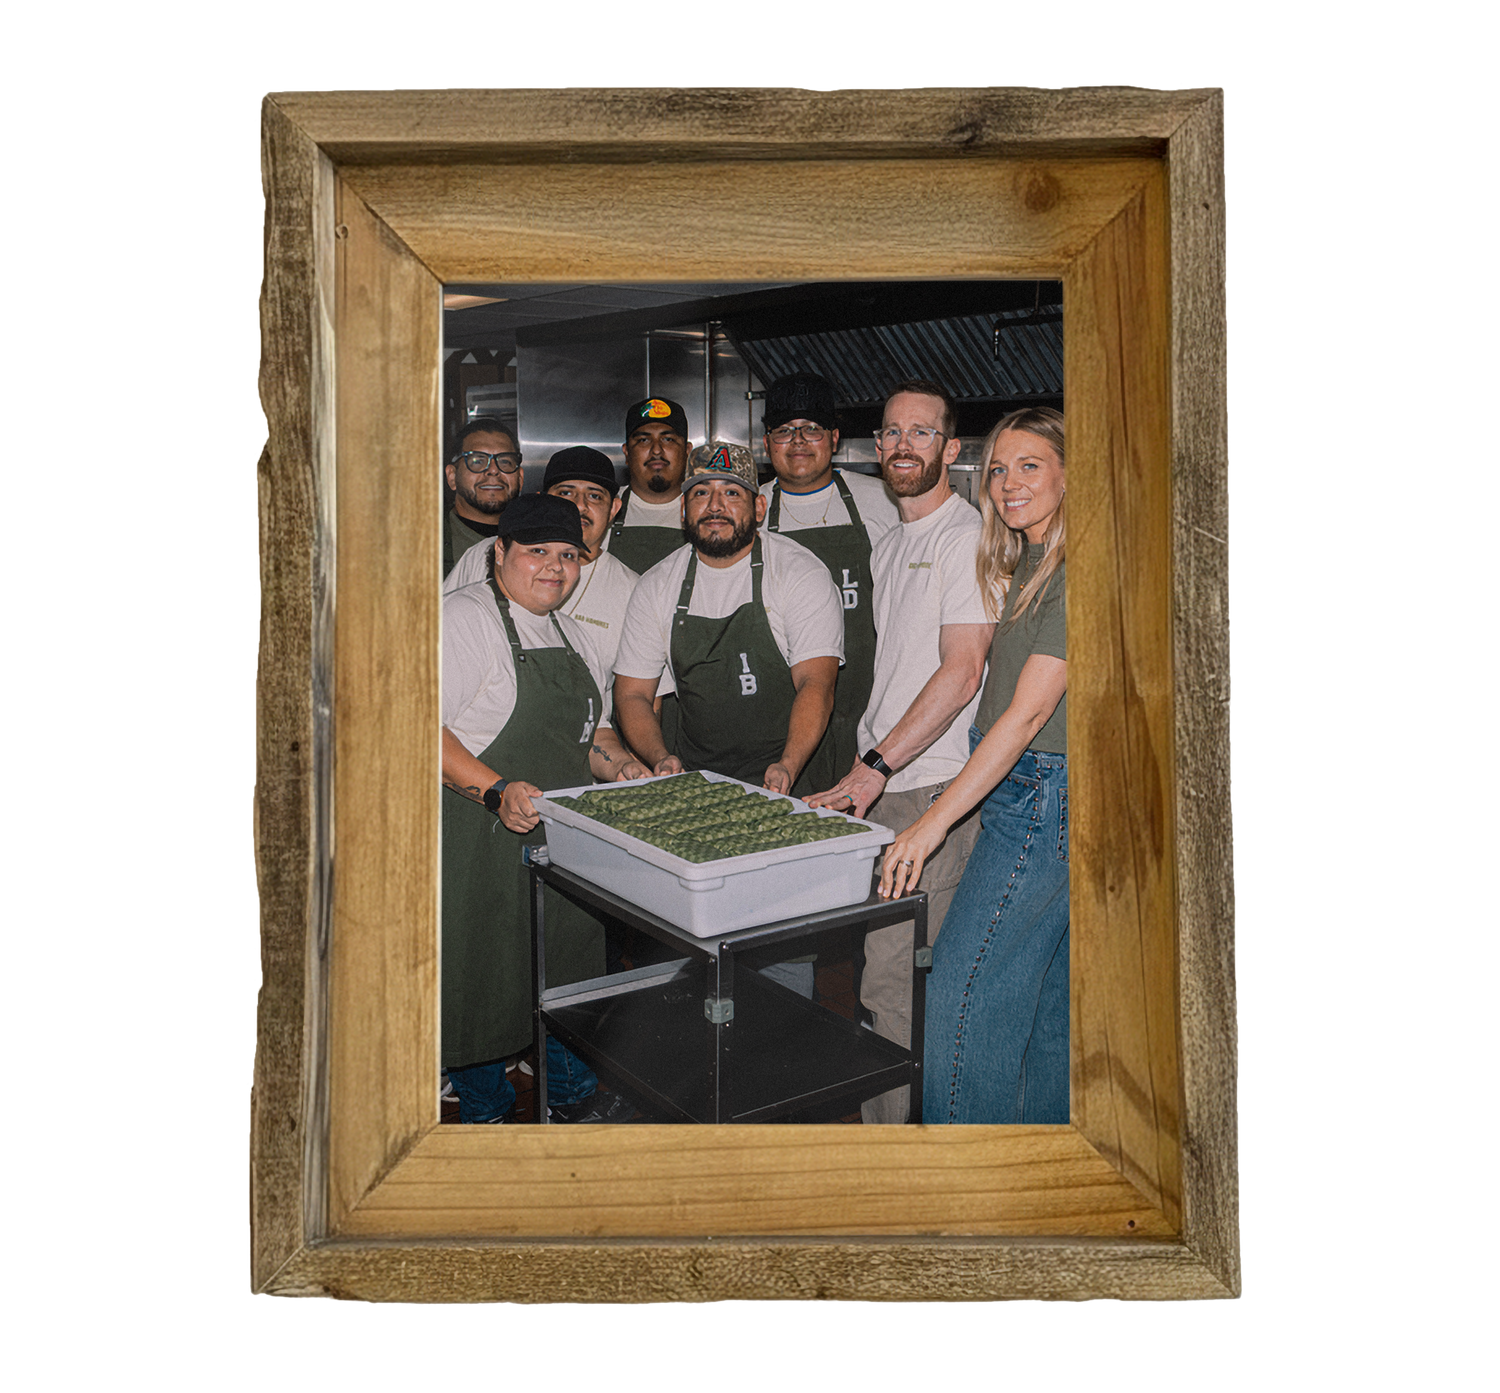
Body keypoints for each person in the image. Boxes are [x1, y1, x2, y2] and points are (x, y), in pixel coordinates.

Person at [808, 380, 994, 1124]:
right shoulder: (891, 544)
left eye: (923, 432)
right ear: (877, 447)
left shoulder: (966, 535)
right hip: (887, 790)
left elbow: (962, 670)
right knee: (888, 978)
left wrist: (873, 765)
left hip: (929, 789)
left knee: (893, 982)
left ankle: (894, 1161)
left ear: (950, 449)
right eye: (891, 432)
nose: (904, 445)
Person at [880, 408, 1069, 1125]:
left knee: (960, 994)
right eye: (997, 469)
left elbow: (1025, 717)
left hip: (1039, 796)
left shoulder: (1075, 564)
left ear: (1069, 473)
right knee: (1046, 1001)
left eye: (1029, 466)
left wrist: (929, 825)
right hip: (1038, 791)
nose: (1007, 483)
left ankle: (961, 1192)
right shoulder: (1030, 558)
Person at [442, 494, 651, 1124]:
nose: (555, 568)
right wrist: (495, 790)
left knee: (563, 973)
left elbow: (594, 737)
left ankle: (571, 1096)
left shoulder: (567, 632)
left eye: (568, 555)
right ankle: (486, 1114)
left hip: (556, 846)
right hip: (479, 844)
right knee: (481, 976)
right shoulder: (466, 617)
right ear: (499, 552)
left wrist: (631, 772)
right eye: (537, 552)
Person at [613, 441, 844, 999]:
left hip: (783, 789)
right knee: (692, 946)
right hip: (697, 789)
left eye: (731, 493)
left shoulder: (798, 573)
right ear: (685, 509)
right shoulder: (660, 584)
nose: (715, 505)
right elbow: (633, 696)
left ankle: (782, 1061)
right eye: (702, 494)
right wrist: (659, 758)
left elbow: (817, 683)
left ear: (757, 508)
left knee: (780, 945)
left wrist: (787, 765)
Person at [758, 371, 900, 792]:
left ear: (834, 438)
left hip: (871, 715)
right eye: (784, 431)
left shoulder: (884, 502)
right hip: (782, 720)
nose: (798, 441)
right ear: (767, 444)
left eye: (812, 429)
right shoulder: (751, 511)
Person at [446, 446, 640, 676]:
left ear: (614, 509)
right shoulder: (482, 555)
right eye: (565, 493)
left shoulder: (632, 590)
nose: (578, 506)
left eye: (594, 496)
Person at [606, 397, 693, 576]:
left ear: (687, 451)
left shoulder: (707, 512)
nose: (656, 450)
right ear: (627, 453)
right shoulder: (604, 510)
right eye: (644, 440)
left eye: (668, 439)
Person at [443, 416, 522, 578]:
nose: (493, 470)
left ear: (520, 478)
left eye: (505, 461)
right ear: (452, 477)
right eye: (477, 461)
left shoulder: (539, 540)